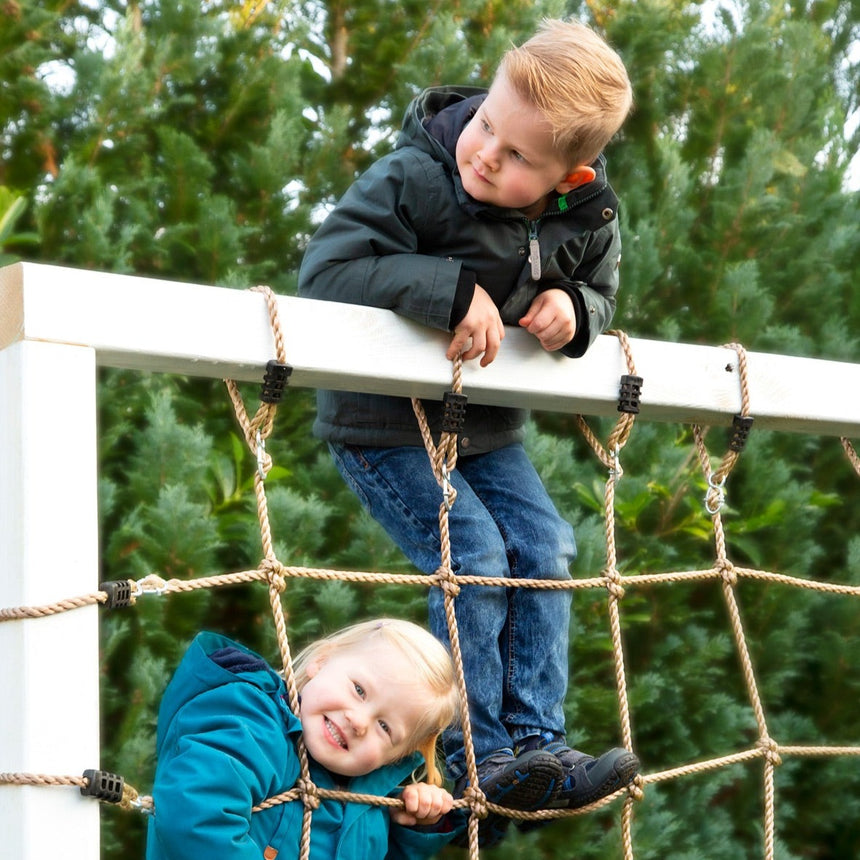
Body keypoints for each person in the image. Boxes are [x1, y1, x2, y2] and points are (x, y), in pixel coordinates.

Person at [298, 18, 640, 846]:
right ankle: (481, 755)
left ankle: (538, 745)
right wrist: (447, 288)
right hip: (383, 424)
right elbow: (326, 271)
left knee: (546, 543)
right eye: (487, 123)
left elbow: (598, 291)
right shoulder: (415, 176)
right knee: (475, 553)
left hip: (485, 431)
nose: (486, 152)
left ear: (572, 176)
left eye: (519, 156)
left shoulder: (588, 219)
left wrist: (576, 311)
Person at [146, 618, 462, 859]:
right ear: (321, 662)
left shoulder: (369, 803)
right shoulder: (256, 725)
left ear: (395, 758)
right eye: (359, 690)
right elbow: (194, 814)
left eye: (385, 727)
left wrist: (413, 825)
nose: (358, 721)